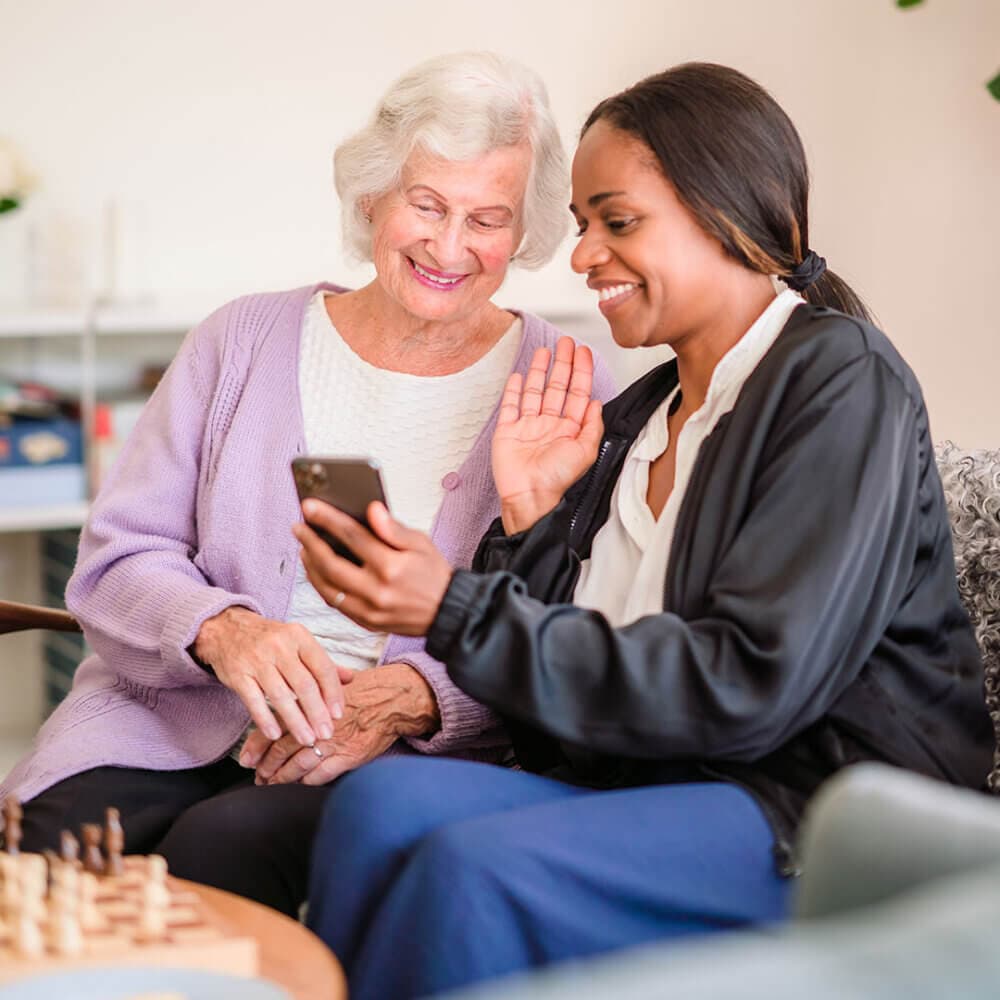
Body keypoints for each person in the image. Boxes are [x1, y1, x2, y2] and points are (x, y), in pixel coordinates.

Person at [296, 63, 994, 999]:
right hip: (647, 782)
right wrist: (530, 515)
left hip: (813, 812)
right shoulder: (638, 414)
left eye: (616, 222)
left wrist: (452, 604)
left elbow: (752, 685)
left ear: (729, 212)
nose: (582, 256)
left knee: (478, 871)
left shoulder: (840, 381)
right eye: (582, 225)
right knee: (379, 805)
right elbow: (543, 713)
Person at [0, 51, 615, 917]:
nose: (449, 246)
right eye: (427, 204)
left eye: (488, 218)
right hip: (172, 716)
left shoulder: (572, 383)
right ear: (373, 197)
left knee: (221, 859)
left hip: (380, 755)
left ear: (526, 233)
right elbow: (117, 557)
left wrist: (421, 698)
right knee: (45, 851)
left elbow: (583, 628)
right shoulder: (242, 339)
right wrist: (225, 628)